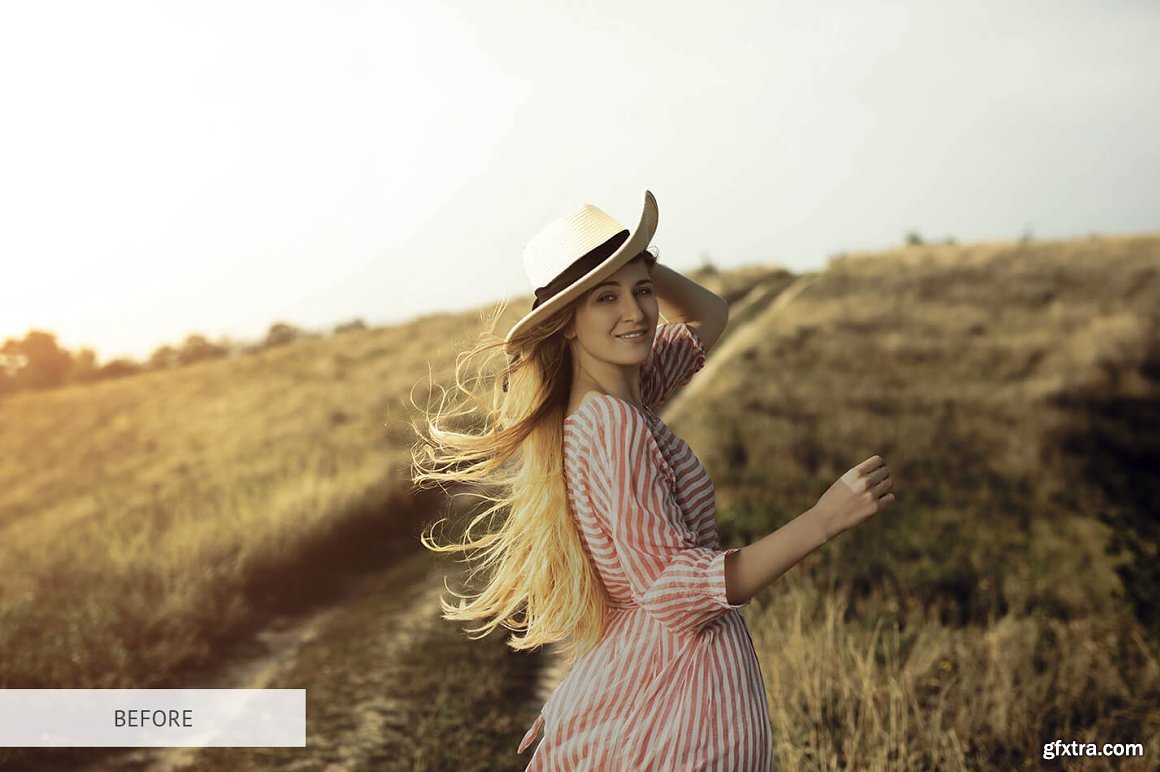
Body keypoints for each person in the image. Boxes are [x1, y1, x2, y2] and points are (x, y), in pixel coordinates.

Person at [410, 190, 895, 770]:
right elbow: (677, 591)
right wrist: (825, 519)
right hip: (681, 706)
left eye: (641, 290)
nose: (636, 313)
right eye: (605, 298)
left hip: (660, 679)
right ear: (567, 322)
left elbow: (709, 314)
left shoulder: (622, 393)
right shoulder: (612, 426)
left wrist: (632, 257)